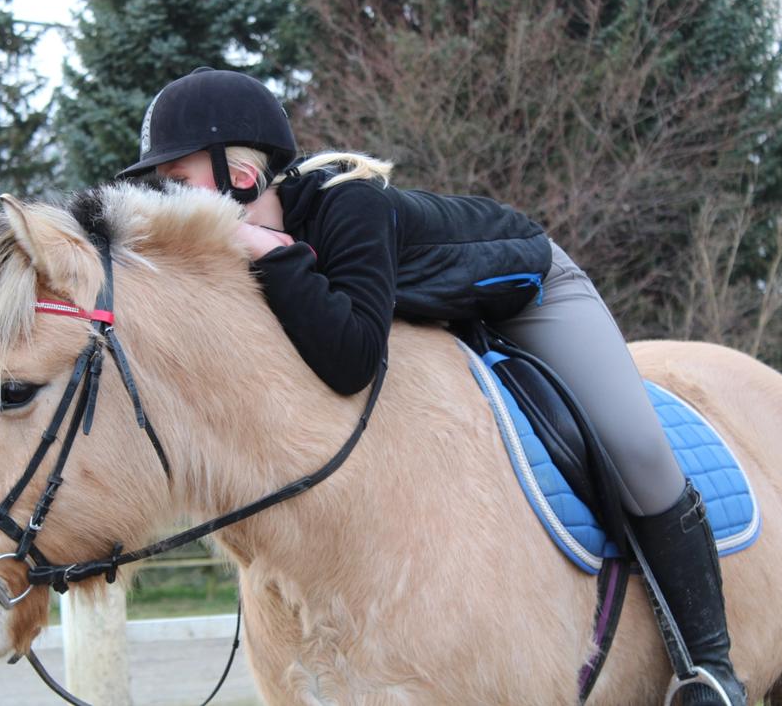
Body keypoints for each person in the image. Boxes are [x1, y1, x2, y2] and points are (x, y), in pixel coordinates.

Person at [117, 67, 746, 706]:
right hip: (443, 314)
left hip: (532, 291)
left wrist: (266, 249)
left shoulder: (346, 202)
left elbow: (351, 359)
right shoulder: (232, 249)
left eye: (175, 180)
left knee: (635, 447)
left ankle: (710, 666)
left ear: (241, 176)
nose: (164, 198)